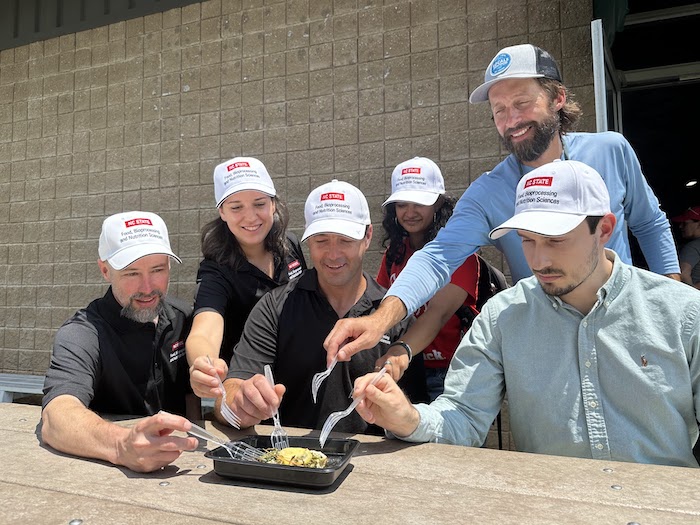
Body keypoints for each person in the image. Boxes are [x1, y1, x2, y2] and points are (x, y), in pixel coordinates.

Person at [324, 43, 680, 367]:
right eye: (499, 110)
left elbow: (649, 223)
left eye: (522, 103)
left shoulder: (611, 151)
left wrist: (669, 299)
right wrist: (380, 318)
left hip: (627, 330)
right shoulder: (490, 191)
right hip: (550, 346)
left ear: (557, 98)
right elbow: (438, 256)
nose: (511, 121)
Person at [353, 160, 700, 468]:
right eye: (527, 240)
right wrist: (408, 418)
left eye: (555, 240)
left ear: (604, 230)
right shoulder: (502, 316)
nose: (538, 261)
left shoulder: (682, 312)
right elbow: (463, 416)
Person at [217, 180, 425, 434]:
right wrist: (239, 403)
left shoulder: (391, 313)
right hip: (291, 461)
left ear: (367, 236)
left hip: (372, 463)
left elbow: (417, 413)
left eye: (345, 240)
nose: (333, 254)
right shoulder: (275, 307)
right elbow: (230, 390)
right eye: (321, 240)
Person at [41, 211, 199, 472]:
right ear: (105, 270)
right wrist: (121, 445)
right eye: (131, 273)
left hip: (184, 472)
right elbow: (56, 417)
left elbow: (190, 395)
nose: (147, 287)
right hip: (106, 476)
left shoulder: (184, 318)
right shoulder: (83, 332)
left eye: (158, 270)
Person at [186, 157, 306, 400]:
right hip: (249, 388)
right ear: (222, 212)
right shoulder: (216, 270)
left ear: (273, 204)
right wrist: (203, 365)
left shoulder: (290, 245)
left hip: (300, 374)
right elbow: (204, 328)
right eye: (236, 207)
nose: (250, 217)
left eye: (259, 204)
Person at [377, 157, 480, 400]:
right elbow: (380, 308)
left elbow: (438, 314)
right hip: (405, 369)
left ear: (439, 203)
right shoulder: (394, 253)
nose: (409, 212)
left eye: (419, 203)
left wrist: (399, 350)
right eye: (402, 204)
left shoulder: (460, 254)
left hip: (450, 374)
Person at [672, 206, 700, 289]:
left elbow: (683, 273)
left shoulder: (692, 246)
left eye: (685, 223)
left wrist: (691, 294)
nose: (680, 226)